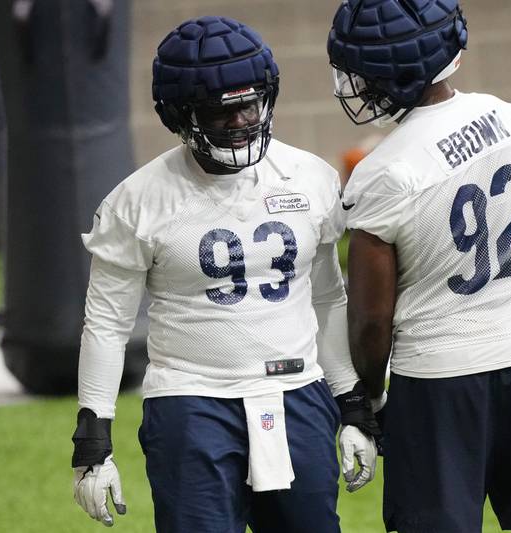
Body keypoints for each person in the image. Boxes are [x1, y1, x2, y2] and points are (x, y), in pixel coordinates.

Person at [70, 16, 380, 533]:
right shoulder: (137, 202)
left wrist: (352, 404)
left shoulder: (310, 178)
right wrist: (93, 441)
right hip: (192, 399)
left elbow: (327, 297)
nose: (240, 120)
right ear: (181, 114)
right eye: (221, 111)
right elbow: (106, 325)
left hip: (298, 391)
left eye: (249, 103)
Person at [327, 1, 511, 532]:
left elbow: (372, 318)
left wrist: (369, 398)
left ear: (396, 70)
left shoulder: (383, 171)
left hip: (438, 379)